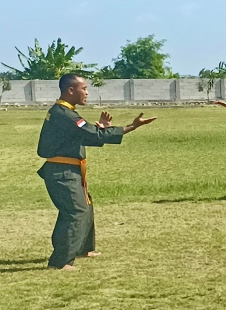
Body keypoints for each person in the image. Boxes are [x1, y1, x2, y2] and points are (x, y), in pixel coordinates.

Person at [37, 73, 156, 270]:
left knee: (85, 206)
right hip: (61, 172)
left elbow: (89, 136)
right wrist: (131, 127)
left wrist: (102, 130)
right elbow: (91, 134)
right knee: (75, 211)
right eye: (84, 89)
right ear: (71, 90)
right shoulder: (64, 114)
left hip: (68, 170)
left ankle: (83, 248)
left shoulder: (65, 112)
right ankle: (60, 262)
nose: (87, 93)